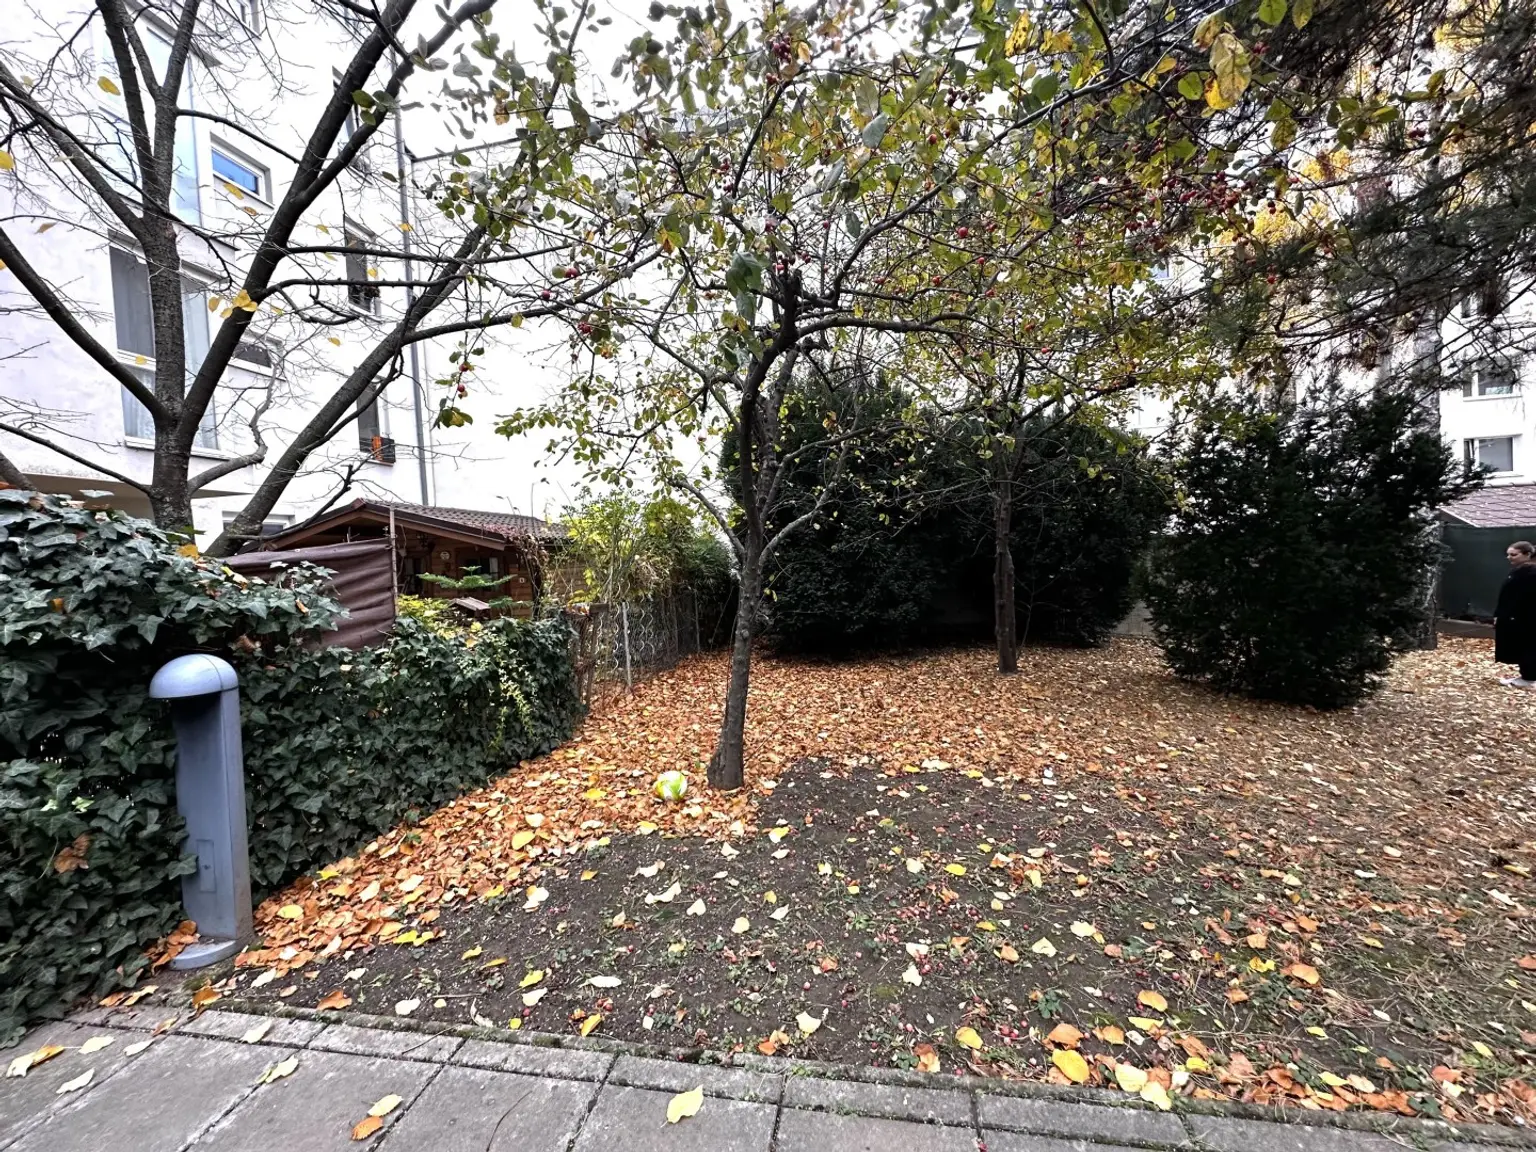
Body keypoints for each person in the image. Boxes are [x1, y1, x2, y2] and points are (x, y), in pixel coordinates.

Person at [1495, 540, 1536, 688]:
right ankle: (1527, 676)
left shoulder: (1530, 572)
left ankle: (1529, 679)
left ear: (1527, 554)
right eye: (1508, 555)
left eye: (1514, 554)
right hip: (1518, 617)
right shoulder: (1522, 570)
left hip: (1526, 618)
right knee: (1524, 646)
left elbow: (1521, 597)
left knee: (1528, 647)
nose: (1509, 557)